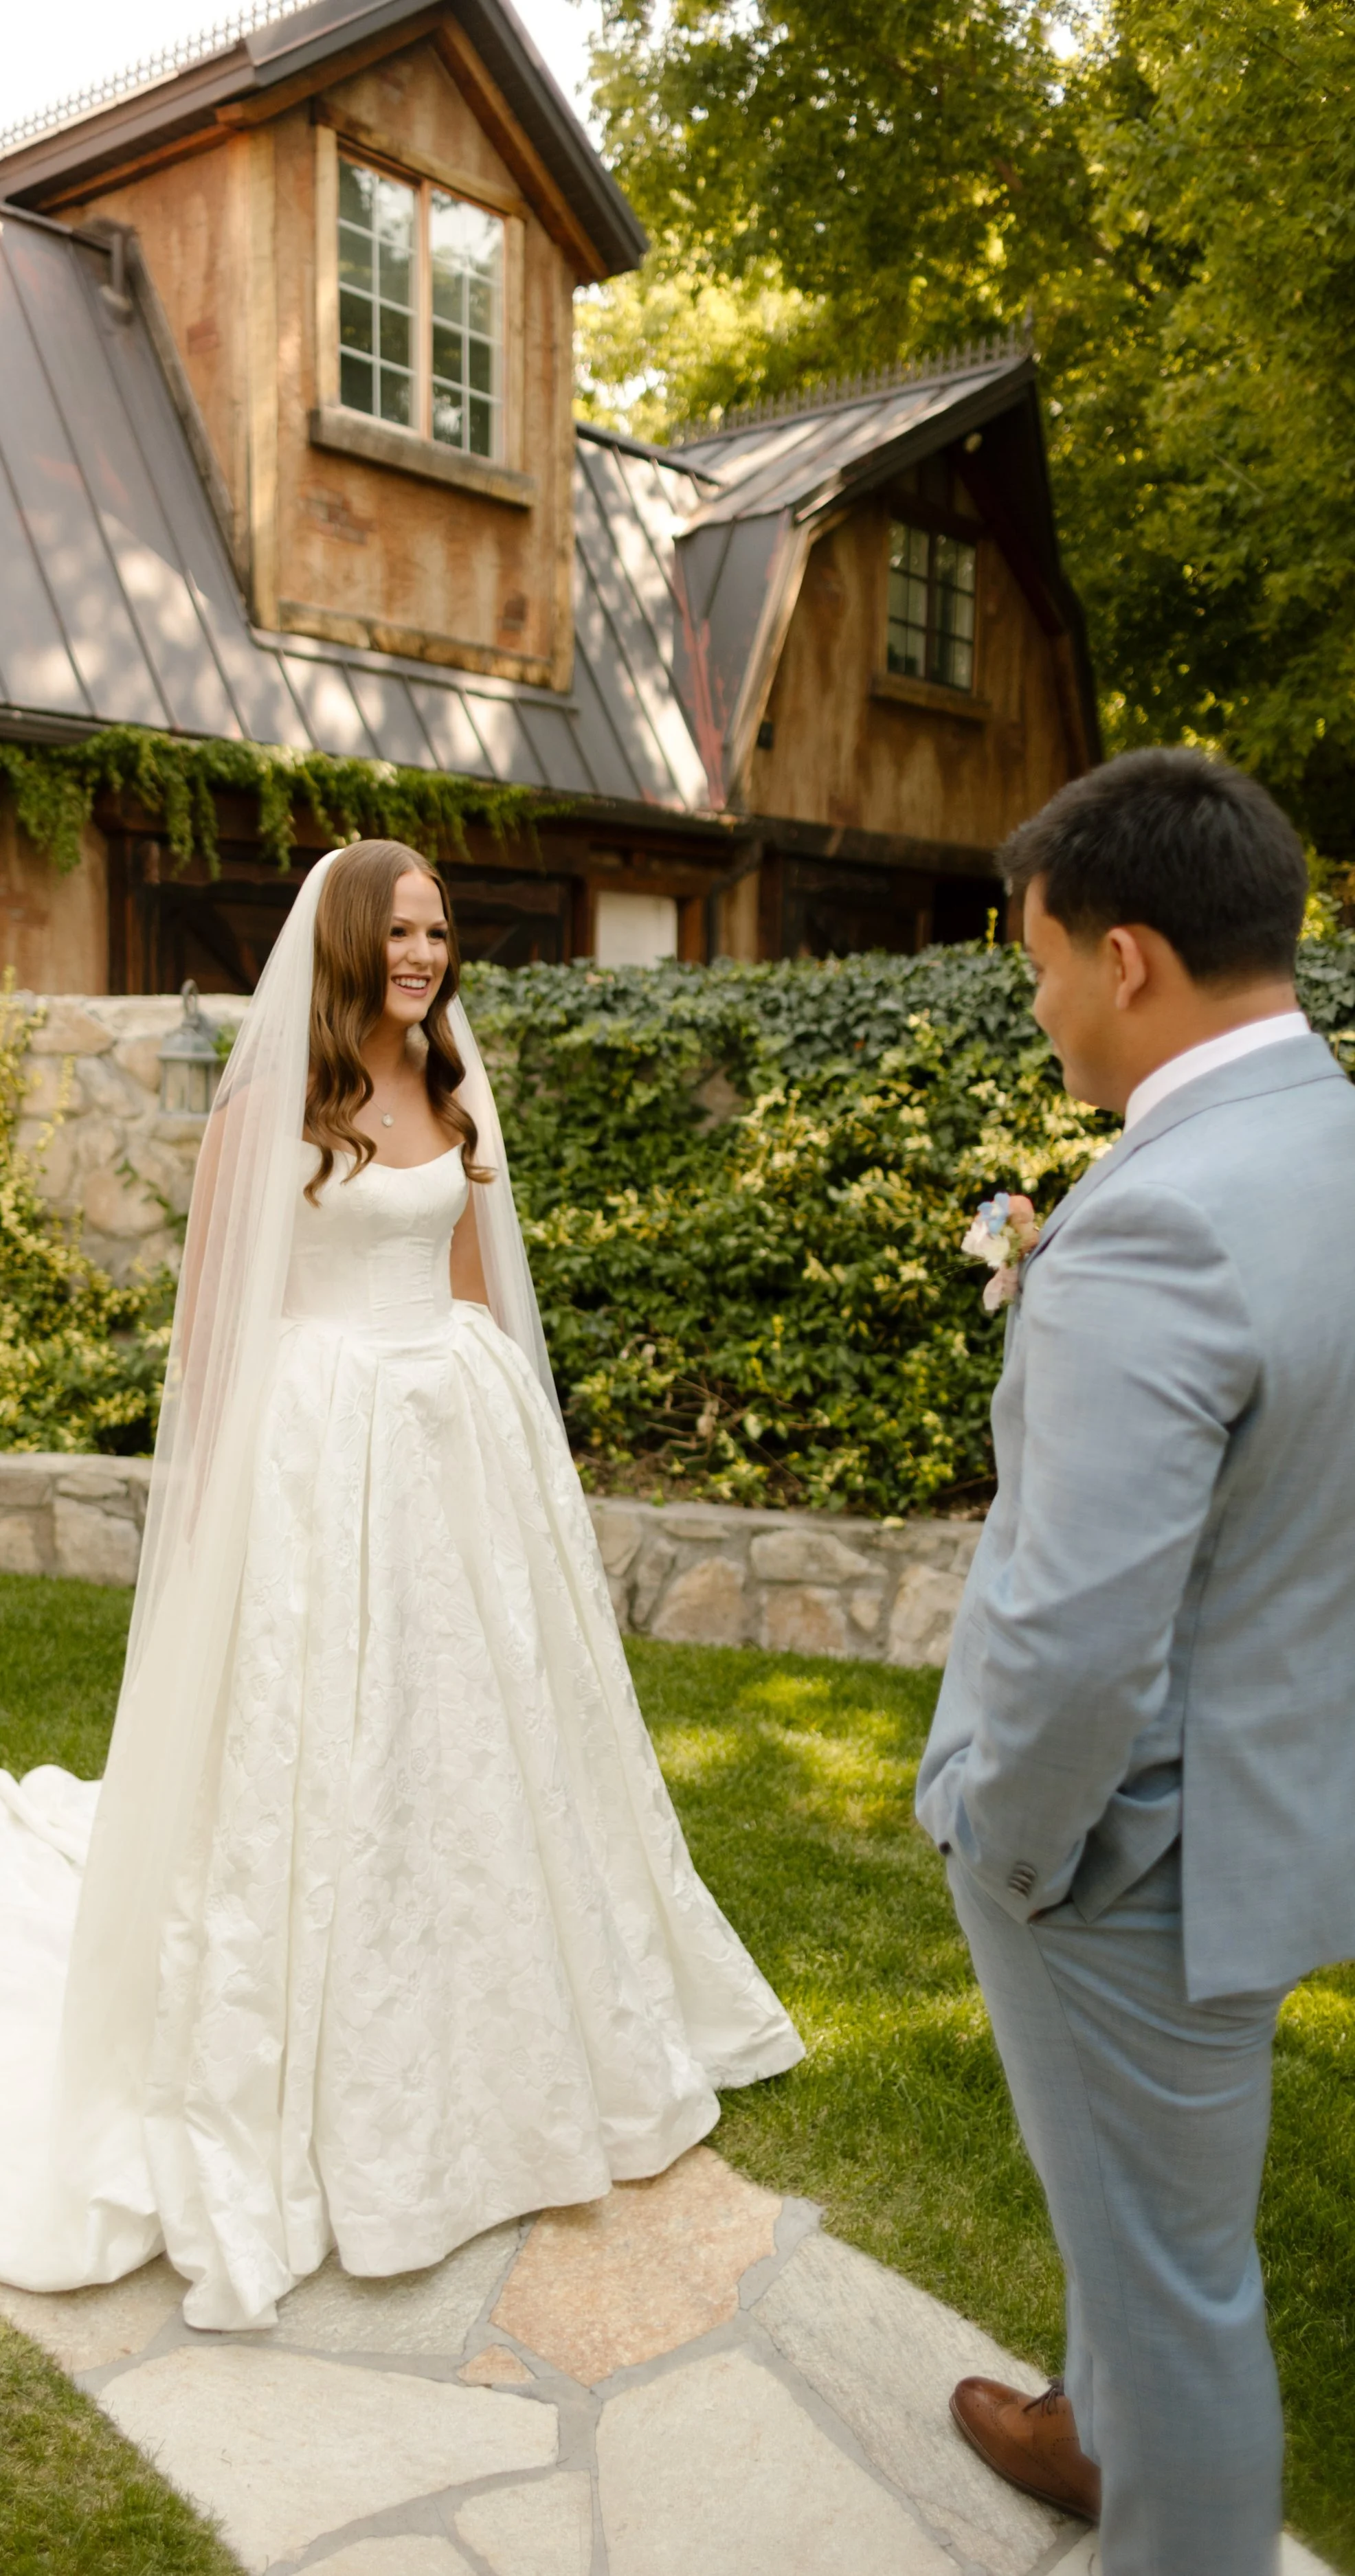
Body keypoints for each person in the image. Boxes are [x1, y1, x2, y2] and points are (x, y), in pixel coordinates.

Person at [0, 841, 800, 2327]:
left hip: (446, 1438)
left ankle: (514, 2026)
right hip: (322, 1448)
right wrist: (220, 1526)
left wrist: (501, 1451)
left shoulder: (453, 1083)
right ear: (341, 943)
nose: (421, 953)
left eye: (437, 930)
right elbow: (213, 1338)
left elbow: (471, 1283)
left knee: (478, 1739)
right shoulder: (271, 1109)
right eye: (396, 930)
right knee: (325, 1749)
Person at [917, 750, 1355, 2575]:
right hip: (1272, 1788)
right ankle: (1089, 2420)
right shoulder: (1327, 1139)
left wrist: (1001, 1844)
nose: (1030, 1003)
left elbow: (1076, 1628)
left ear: (1130, 957)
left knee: (1181, 2284)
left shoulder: (1154, 1217)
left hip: (1130, 1860)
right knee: (1149, 2221)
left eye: (1033, 962)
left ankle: (1155, 2472)